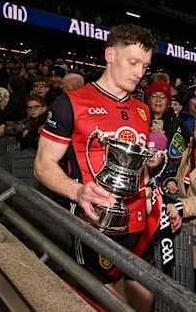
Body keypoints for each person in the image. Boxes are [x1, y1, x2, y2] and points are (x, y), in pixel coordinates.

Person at [34, 24, 158, 311]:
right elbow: (43, 165)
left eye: (145, 66)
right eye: (133, 62)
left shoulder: (143, 110)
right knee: (102, 299)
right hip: (95, 223)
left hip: (138, 223)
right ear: (110, 55)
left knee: (145, 295)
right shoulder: (70, 103)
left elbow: (139, 167)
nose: (140, 73)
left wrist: (153, 192)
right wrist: (77, 192)